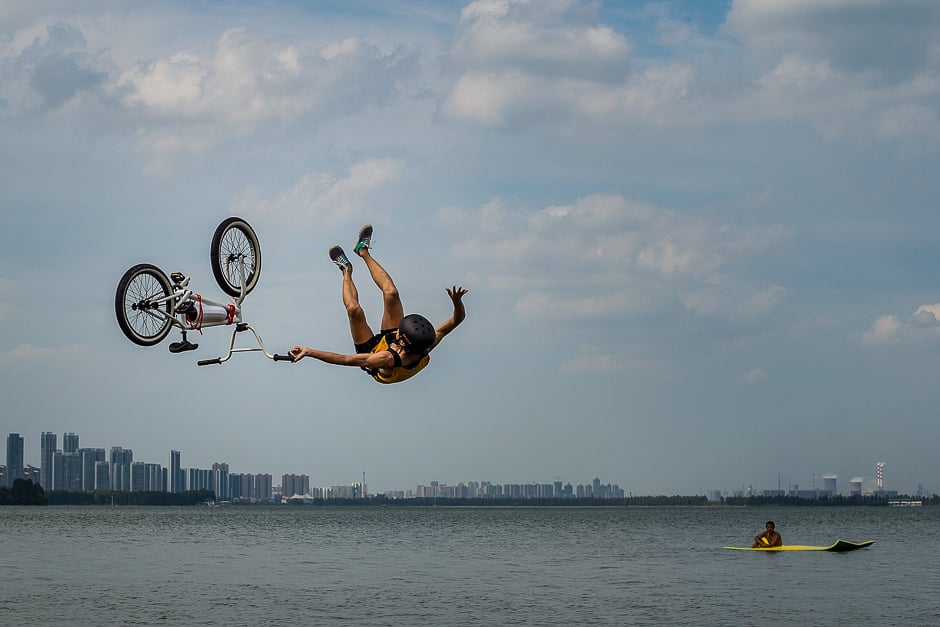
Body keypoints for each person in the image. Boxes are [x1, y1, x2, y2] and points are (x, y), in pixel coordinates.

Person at [289, 224, 468, 384]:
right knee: (391, 293)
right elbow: (457, 320)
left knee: (354, 310)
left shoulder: (386, 359)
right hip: (398, 346)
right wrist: (457, 302)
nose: (397, 330)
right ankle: (363, 250)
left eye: (399, 332)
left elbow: (345, 360)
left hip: (373, 352)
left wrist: (308, 351)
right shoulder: (427, 342)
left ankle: (346, 270)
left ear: (402, 341)